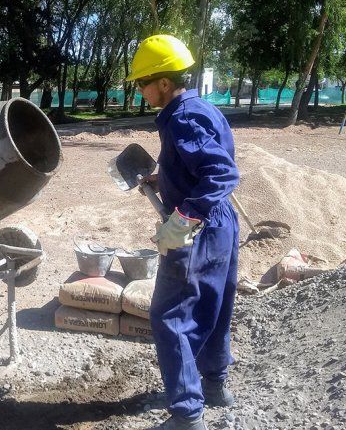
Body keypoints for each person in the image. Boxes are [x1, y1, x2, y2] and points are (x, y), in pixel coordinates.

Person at [126, 34, 240, 430]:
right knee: (215, 304)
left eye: (142, 83)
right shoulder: (201, 108)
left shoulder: (182, 118)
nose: (140, 91)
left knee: (170, 315)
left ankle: (188, 415)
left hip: (199, 228)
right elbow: (205, 165)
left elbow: (222, 173)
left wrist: (184, 218)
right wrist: (166, 177)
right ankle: (214, 387)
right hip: (221, 223)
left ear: (163, 83)